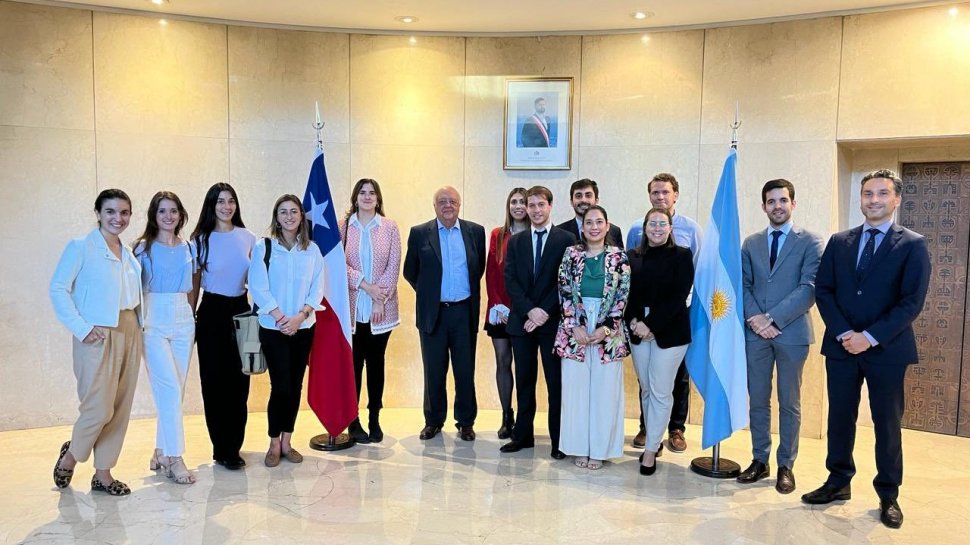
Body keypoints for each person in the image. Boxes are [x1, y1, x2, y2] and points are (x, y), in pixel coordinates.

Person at [802, 169, 930, 529]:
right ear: (860, 199)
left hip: (887, 349)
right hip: (841, 346)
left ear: (896, 199)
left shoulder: (913, 244)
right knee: (839, 417)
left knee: (887, 422)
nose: (874, 200)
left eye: (882, 193)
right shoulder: (839, 241)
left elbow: (911, 301)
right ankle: (838, 481)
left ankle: (888, 494)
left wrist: (869, 337)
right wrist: (845, 333)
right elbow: (824, 290)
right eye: (868, 194)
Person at [50, 189, 143, 496]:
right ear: (98, 214)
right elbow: (58, 289)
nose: (118, 218)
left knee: (119, 407)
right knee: (98, 408)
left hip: (130, 328)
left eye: (124, 212)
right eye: (111, 212)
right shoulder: (81, 247)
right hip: (97, 331)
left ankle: (103, 473)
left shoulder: (128, 252)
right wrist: (82, 327)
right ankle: (71, 456)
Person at [737, 179, 824, 494]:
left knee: (789, 402)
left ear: (793, 204)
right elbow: (743, 285)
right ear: (763, 206)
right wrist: (757, 321)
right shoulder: (751, 243)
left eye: (783, 200)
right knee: (758, 400)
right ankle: (759, 460)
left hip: (792, 333)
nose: (777, 206)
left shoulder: (811, 241)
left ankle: (786, 465)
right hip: (756, 335)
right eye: (771, 201)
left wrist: (771, 318)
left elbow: (809, 288)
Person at [403, 186, 486, 441]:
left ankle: (466, 422)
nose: (447, 205)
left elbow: (478, 268)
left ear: (459, 205)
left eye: (452, 201)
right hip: (434, 314)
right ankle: (433, 421)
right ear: (434, 206)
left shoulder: (475, 232)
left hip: (463, 312)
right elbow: (410, 271)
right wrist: (429, 294)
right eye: (442, 201)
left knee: (464, 371)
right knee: (434, 371)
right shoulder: (420, 233)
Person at [626, 172, 701, 452]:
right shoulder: (635, 232)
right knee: (648, 383)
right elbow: (628, 285)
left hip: (677, 315)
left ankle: (675, 428)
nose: (660, 197)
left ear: (675, 195)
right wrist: (636, 322)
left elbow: (693, 278)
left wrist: (652, 324)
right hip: (639, 322)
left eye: (665, 192)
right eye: (655, 192)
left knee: (675, 379)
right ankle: (648, 430)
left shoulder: (691, 232)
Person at [500, 186, 577, 459]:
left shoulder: (566, 239)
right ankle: (523, 436)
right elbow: (510, 280)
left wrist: (543, 311)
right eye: (530, 205)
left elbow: (566, 281)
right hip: (522, 322)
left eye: (540, 204)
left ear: (550, 206)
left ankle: (558, 441)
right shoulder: (516, 241)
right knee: (524, 381)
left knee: (555, 384)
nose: (535, 210)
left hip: (553, 323)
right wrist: (530, 311)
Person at [248, 195, 325, 467]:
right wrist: (282, 319)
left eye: (294, 211)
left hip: (304, 327)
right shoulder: (264, 247)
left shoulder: (312, 250)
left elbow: (317, 288)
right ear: (276, 217)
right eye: (283, 212)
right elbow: (258, 287)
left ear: (301, 216)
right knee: (280, 386)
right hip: (273, 328)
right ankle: (273, 442)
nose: (289, 216)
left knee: (295, 386)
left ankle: (287, 441)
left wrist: (300, 317)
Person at [556, 205, 630, 470]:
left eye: (599, 222)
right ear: (583, 227)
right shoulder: (571, 254)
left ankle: (600, 450)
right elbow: (564, 289)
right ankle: (578, 447)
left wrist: (606, 328)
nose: (594, 227)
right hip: (574, 328)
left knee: (605, 392)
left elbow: (622, 296)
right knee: (576, 391)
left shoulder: (619, 257)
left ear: (607, 226)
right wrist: (573, 325)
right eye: (589, 222)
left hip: (608, 330)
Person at [133, 191, 198, 485]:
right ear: (154, 215)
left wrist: (192, 317)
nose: (168, 216)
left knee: (174, 391)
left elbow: (193, 287)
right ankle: (174, 457)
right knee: (169, 388)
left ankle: (160, 450)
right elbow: (134, 290)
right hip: (153, 319)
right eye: (162, 211)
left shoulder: (189, 247)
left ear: (180, 214)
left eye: (173, 211)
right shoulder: (142, 248)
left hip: (183, 318)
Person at [191, 183, 256, 471]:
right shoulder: (199, 240)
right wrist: (190, 317)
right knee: (213, 382)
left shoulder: (249, 237)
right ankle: (221, 447)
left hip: (243, 310)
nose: (226, 206)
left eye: (231, 201)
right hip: (211, 311)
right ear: (211, 205)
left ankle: (234, 446)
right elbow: (194, 284)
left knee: (241, 381)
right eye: (220, 201)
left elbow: (258, 279)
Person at [340, 178, 401, 444]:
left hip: (381, 311)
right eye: (362, 192)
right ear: (355, 198)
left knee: (376, 365)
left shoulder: (389, 227)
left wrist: (379, 299)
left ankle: (374, 417)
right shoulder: (343, 227)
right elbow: (337, 265)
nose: (367, 197)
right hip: (352, 309)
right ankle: (353, 421)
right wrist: (365, 285)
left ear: (378, 198)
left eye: (372, 193)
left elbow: (394, 265)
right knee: (353, 366)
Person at [485, 187, 529, 439]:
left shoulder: (534, 234)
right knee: (503, 361)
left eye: (523, 201)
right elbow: (491, 273)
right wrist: (498, 305)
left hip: (525, 313)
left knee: (523, 365)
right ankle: (506, 415)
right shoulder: (498, 235)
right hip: (500, 311)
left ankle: (524, 418)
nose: (518, 206)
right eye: (514, 202)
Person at [556, 179, 623, 247]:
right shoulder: (559, 232)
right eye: (578, 196)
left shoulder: (614, 231)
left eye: (588, 195)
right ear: (571, 202)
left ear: (596, 200)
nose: (583, 200)